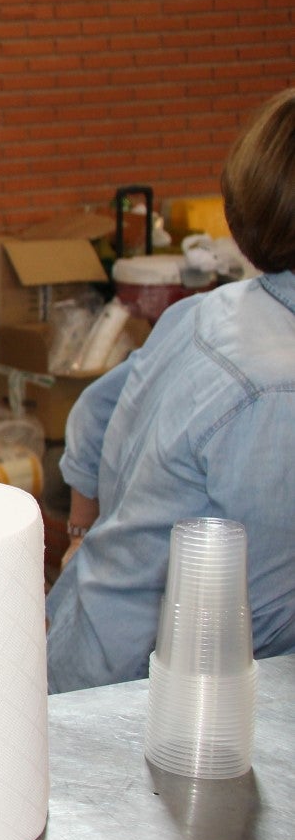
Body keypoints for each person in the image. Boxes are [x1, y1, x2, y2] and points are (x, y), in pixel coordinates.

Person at [46, 87, 295, 693]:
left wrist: (80, 536)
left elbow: (94, 412)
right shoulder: (278, 394)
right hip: (141, 695)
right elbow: (257, 617)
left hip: (85, 639)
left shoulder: (213, 310)